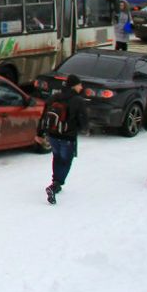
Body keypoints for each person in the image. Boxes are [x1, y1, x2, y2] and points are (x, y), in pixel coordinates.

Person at [35, 74, 89, 205]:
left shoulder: (55, 97)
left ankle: (55, 182)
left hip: (53, 134)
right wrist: (85, 129)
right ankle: (55, 185)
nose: (81, 87)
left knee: (57, 157)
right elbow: (82, 118)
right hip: (68, 136)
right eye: (79, 84)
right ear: (74, 86)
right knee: (66, 161)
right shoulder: (78, 100)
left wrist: (40, 133)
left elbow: (44, 115)